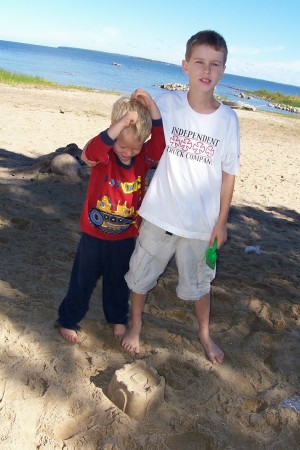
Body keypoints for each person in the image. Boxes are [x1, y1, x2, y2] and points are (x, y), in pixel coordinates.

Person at [122, 30, 240, 364]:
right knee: (141, 274)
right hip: (159, 214)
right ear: (185, 66)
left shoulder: (229, 120)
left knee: (199, 285)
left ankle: (204, 334)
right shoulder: (168, 105)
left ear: (223, 71)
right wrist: (139, 99)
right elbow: (138, 116)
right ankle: (136, 324)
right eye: (199, 61)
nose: (207, 69)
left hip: (201, 225)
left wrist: (221, 222)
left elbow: (229, 173)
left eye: (215, 64)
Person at [56, 89, 165, 343]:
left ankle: (117, 319)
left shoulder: (142, 160)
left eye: (134, 148)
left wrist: (151, 106)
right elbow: (92, 150)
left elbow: (159, 144)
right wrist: (120, 124)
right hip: (93, 237)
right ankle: (68, 320)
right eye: (122, 145)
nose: (127, 152)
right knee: (82, 281)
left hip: (125, 237)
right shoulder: (103, 157)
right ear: (113, 132)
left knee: (118, 283)